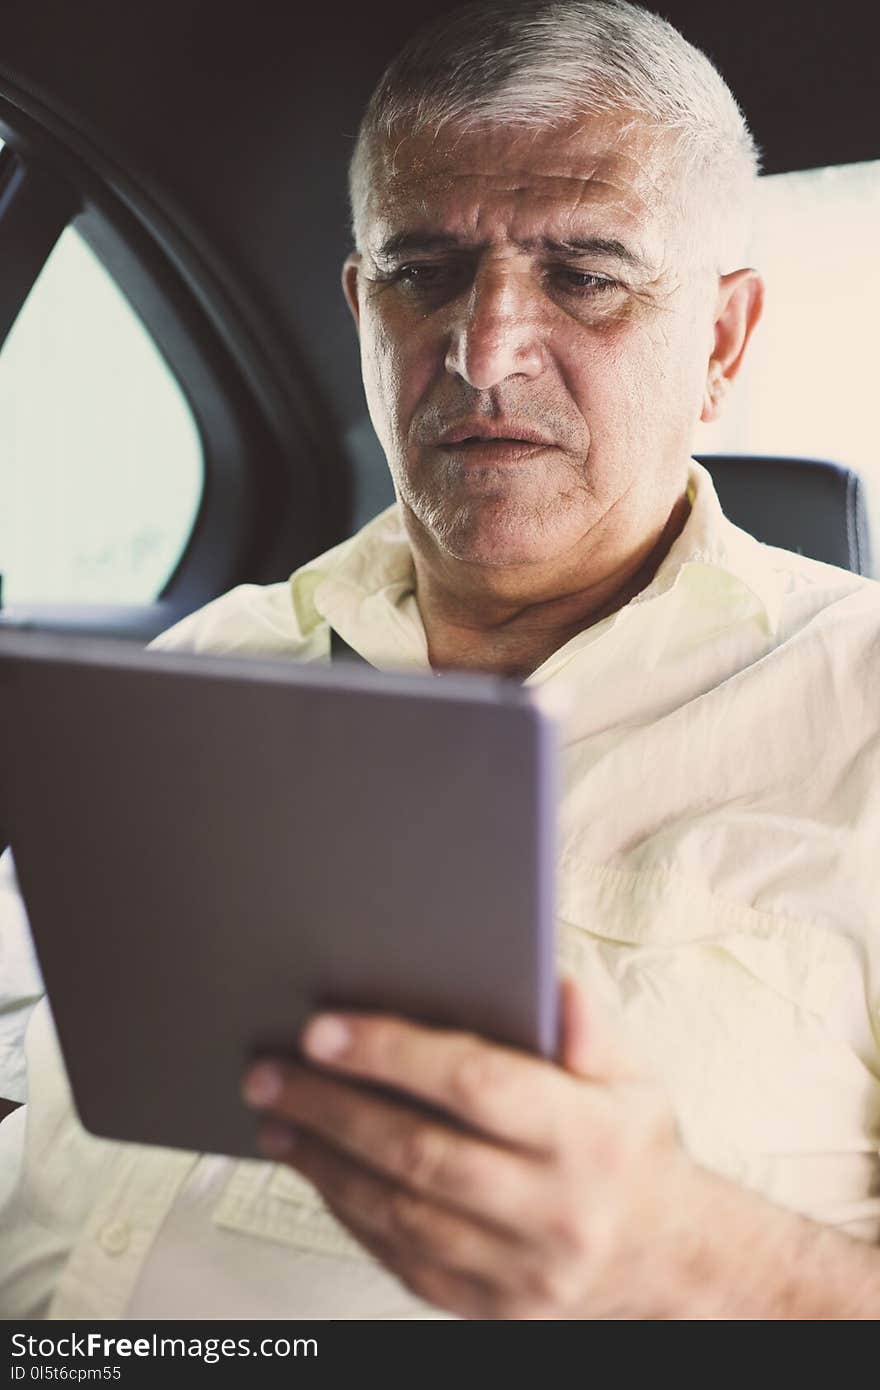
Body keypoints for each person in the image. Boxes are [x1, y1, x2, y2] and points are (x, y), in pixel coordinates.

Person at [1, 0, 879, 1319]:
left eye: (586, 275)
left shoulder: (855, 714)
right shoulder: (202, 664)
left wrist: (689, 1253)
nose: (483, 352)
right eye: (423, 272)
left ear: (721, 341)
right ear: (362, 306)